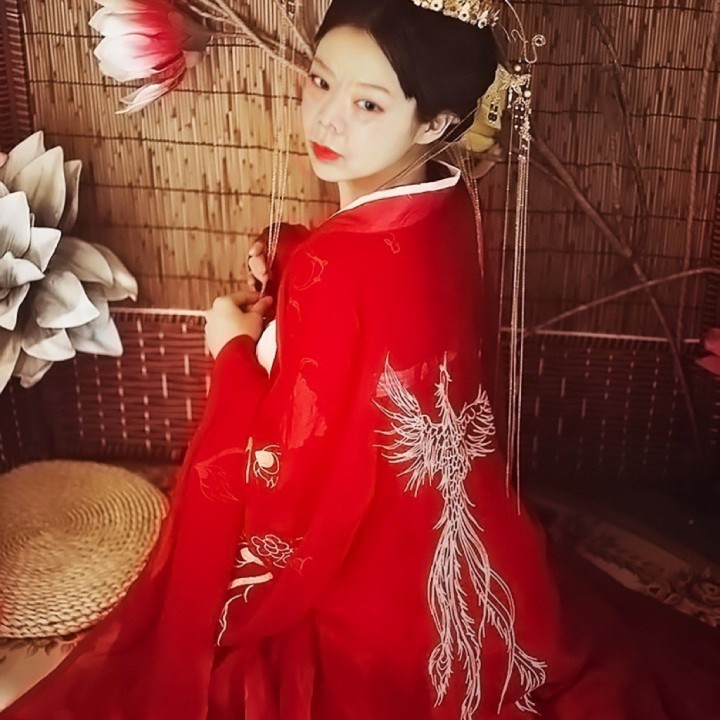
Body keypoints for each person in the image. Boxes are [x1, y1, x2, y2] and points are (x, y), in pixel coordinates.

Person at [2, 0, 719, 718]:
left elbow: (287, 464)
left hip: (361, 571)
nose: (327, 119)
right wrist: (296, 262)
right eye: (321, 81)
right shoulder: (451, 205)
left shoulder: (332, 270)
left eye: (367, 103)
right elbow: (381, 307)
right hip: (445, 526)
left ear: (434, 123)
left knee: (201, 662)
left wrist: (233, 350)